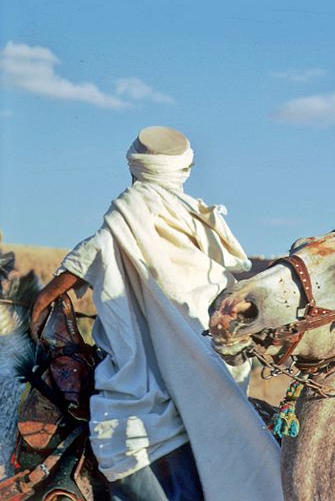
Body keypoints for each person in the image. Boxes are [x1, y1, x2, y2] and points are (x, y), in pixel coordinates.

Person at [31, 126, 283, 501]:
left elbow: (51, 296)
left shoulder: (120, 225)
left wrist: (41, 309)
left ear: (134, 167)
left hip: (135, 401)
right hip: (211, 386)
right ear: (185, 169)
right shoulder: (205, 227)